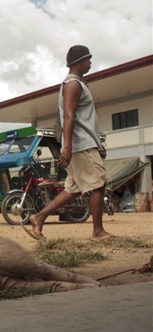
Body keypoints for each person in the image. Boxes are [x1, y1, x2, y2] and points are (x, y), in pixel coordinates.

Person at [23, 45, 114, 241]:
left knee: (74, 189)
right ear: (79, 62)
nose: (90, 63)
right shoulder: (73, 84)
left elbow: (83, 119)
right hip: (81, 145)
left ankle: (39, 217)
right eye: (88, 59)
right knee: (98, 184)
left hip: (85, 143)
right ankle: (97, 231)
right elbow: (68, 115)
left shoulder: (78, 83)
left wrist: (97, 143)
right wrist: (67, 146)